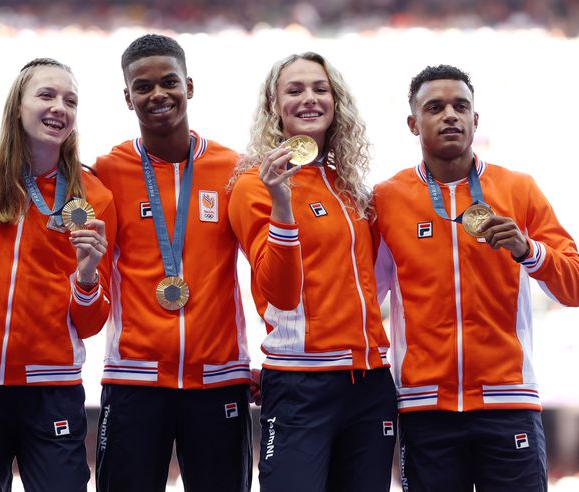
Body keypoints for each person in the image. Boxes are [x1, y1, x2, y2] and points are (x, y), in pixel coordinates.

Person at [374, 64, 579, 491]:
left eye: (460, 106)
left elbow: (574, 284)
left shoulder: (518, 189)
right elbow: (362, 299)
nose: (450, 115)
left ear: (475, 120)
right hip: (425, 408)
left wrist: (529, 251)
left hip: (509, 402)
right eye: (435, 107)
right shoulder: (386, 199)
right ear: (413, 123)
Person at [229, 52, 397, 491]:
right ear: (273, 105)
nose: (309, 98)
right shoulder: (252, 187)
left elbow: (369, 283)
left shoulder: (351, 188)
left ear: (335, 102)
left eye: (320, 89)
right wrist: (281, 204)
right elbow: (281, 293)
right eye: (295, 89)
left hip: (370, 381)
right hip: (301, 382)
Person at [0, 58, 116, 492]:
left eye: (70, 100)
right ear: (17, 106)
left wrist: (87, 279)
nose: (60, 107)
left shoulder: (93, 196)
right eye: (46, 95)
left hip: (52, 388)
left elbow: (92, 323)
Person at [93, 34, 252, 492]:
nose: (157, 94)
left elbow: (267, 267)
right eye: (142, 87)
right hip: (134, 378)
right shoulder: (109, 170)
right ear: (127, 97)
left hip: (218, 377)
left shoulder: (234, 169)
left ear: (190, 86)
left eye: (169, 82)